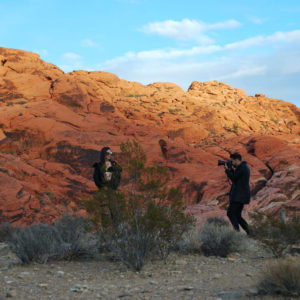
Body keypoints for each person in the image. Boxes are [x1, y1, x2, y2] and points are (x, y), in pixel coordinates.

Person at [93, 147, 122, 226]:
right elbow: (96, 178)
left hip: (111, 190)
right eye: (108, 153)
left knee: (115, 211)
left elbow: (118, 176)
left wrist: (114, 187)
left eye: (111, 153)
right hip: (103, 192)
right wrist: (102, 187)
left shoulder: (114, 165)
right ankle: (106, 232)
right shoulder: (99, 166)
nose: (110, 155)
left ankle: (117, 231)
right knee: (105, 211)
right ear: (104, 154)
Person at [224, 152, 251, 235]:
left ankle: (237, 233)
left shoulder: (242, 168)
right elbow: (236, 177)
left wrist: (227, 170)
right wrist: (231, 169)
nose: (231, 163)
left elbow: (234, 178)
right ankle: (250, 233)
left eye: (232, 161)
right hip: (241, 195)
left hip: (239, 196)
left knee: (230, 213)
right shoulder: (243, 167)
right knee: (237, 216)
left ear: (236, 160)